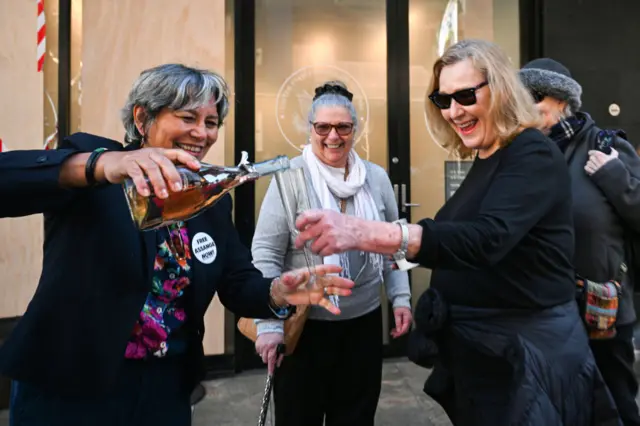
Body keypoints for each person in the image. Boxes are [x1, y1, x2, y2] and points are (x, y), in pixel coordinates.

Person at [0, 64, 354, 426]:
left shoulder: (209, 198)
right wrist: (102, 165)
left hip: (163, 388)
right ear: (142, 118)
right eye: (187, 117)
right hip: (69, 387)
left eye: (211, 122)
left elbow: (236, 283)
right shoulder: (95, 171)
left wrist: (278, 292)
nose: (201, 134)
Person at [291, 40, 621, 425]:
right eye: (442, 99)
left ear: (499, 89)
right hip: (490, 365)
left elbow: (487, 238)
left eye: (464, 95)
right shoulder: (488, 155)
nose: (453, 111)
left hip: (529, 365)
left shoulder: (531, 152)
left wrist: (365, 232)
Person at [251, 81, 412, 426]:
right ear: (310, 128)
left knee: (355, 418)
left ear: (355, 129)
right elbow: (265, 251)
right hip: (305, 327)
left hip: (363, 325)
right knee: (299, 418)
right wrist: (269, 324)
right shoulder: (291, 177)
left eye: (343, 127)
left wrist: (401, 297)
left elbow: (393, 242)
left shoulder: (376, 178)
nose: (333, 136)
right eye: (323, 127)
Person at [520, 57, 640, 426]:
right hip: (539, 310)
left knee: (614, 408)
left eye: (533, 95)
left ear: (561, 99)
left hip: (600, 310)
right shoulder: (521, 155)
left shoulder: (607, 146)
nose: (524, 105)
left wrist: (615, 177)